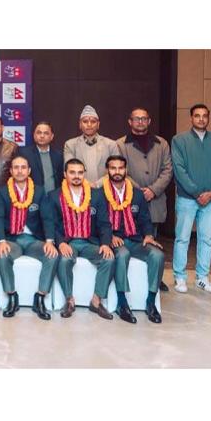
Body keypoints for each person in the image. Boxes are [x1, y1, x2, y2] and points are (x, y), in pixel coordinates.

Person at [171, 104, 211, 294]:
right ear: (191, 118)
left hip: (210, 200)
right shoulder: (179, 140)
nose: (201, 119)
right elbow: (179, 170)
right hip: (187, 199)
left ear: (208, 118)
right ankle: (180, 277)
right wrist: (196, 193)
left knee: (207, 239)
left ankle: (202, 278)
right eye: (197, 115)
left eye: (204, 116)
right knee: (182, 238)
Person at [0, 156, 59, 320]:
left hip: (33, 240)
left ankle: (40, 298)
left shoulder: (39, 191)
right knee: (2, 254)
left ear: (29, 171)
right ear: (11, 171)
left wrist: (49, 241)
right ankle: (12, 296)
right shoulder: (3, 192)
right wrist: (1, 241)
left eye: (23, 167)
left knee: (52, 255)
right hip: (12, 240)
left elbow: (47, 218)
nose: (20, 171)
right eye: (16, 167)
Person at [48, 158, 114, 319]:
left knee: (109, 258)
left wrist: (106, 244)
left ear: (84, 173)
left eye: (80, 172)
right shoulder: (54, 196)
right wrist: (60, 243)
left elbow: (104, 223)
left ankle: (96, 301)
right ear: (65, 174)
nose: (76, 176)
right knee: (64, 260)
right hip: (68, 242)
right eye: (72, 172)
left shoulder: (96, 195)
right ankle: (69, 300)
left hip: (90, 242)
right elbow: (52, 224)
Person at [103, 156, 165, 324]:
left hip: (136, 239)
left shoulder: (137, 194)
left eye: (120, 168)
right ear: (107, 170)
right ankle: (122, 303)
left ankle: (151, 302)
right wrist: (109, 236)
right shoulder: (100, 194)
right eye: (113, 168)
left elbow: (145, 218)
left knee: (157, 255)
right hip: (115, 241)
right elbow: (98, 222)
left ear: (126, 170)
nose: (117, 172)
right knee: (122, 255)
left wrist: (149, 235)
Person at [117, 107, 173, 292]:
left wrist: (153, 190)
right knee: (131, 238)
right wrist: (140, 192)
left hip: (155, 199)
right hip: (130, 199)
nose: (140, 122)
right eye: (136, 119)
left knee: (153, 239)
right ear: (130, 122)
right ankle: (132, 276)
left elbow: (168, 170)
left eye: (144, 119)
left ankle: (156, 277)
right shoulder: (120, 144)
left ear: (149, 121)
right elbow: (120, 171)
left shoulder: (162, 144)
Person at [63, 105, 120, 187]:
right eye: (85, 121)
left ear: (98, 124)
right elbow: (70, 170)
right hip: (79, 188)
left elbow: (116, 170)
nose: (89, 124)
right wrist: (86, 185)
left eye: (93, 121)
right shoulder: (70, 145)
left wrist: (97, 184)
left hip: (105, 188)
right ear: (80, 124)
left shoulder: (111, 144)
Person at [18, 121, 64, 193]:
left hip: (53, 196)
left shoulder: (58, 155)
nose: (42, 136)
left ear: (52, 136)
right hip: (32, 196)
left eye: (46, 133)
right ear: (34, 135)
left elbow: (61, 178)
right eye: (39, 133)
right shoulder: (24, 153)